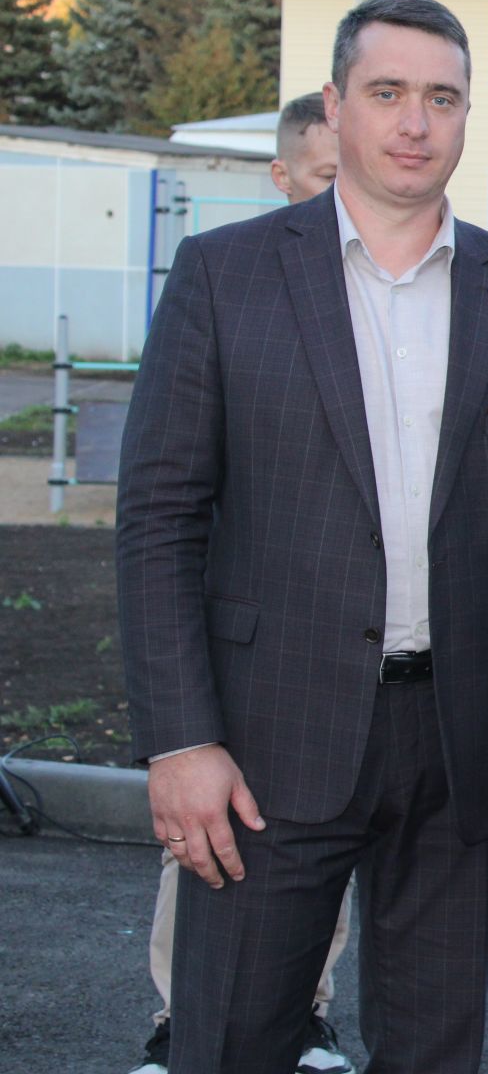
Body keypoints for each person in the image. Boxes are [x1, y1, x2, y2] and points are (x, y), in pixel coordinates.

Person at [117, 0, 488, 1073]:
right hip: (262, 742)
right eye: (387, 93)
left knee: (435, 1047)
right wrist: (178, 737)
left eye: (441, 97)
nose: (414, 122)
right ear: (337, 106)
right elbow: (157, 520)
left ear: (467, 115)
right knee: (233, 1038)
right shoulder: (226, 276)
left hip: (460, 746)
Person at [128, 93, 353, 1074]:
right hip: (247, 634)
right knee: (212, 842)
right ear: (282, 178)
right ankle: (184, 1013)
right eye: (322, 178)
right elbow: (171, 495)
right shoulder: (230, 284)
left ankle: (307, 1008)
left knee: (331, 849)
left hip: (354, 644)